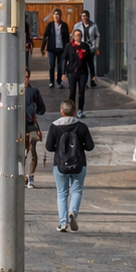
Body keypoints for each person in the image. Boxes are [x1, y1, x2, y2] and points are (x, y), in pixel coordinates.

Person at [46, 99, 95, 231]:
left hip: (60, 164)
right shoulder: (82, 126)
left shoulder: (54, 126)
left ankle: (63, 222)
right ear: (74, 111)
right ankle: (72, 212)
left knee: (62, 193)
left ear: (61, 111)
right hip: (79, 164)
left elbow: (49, 147)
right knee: (77, 190)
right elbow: (90, 146)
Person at [24, 67, 46, 189]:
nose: (25, 79)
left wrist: (33, 111)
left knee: (32, 149)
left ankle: (30, 176)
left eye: (26, 77)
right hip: (17, 126)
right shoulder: (13, 90)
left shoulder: (33, 91)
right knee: (20, 151)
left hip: (30, 124)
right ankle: (22, 175)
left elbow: (42, 108)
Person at [65, 28, 92, 117]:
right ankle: (71, 110)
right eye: (76, 35)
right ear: (73, 36)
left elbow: (90, 61)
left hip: (83, 72)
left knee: (81, 92)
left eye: (79, 35)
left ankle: (80, 110)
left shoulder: (85, 46)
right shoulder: (69, 46)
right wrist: (62, 72)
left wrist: (93, 74)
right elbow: (64, 59)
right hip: (72, 72)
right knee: (72, 92)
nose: (77, 37)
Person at [41, 8, 70, 88]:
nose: (56, 16)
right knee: (51, 65)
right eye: (55, 14)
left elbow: (67, 38)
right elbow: (45, 36)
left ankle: (59, 81)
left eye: (57, 14)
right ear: (53, 16)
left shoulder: (64, 25)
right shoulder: (50, 25)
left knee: (60, 66)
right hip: (52, 49)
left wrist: (68, 49)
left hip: (61, 49)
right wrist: (42, 48)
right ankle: (51, 82)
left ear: (60, 15)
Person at [79, 10, 101, 86]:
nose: (84, 18)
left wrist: (96, 46)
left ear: (88, 16)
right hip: (81, 47)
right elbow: (74, 35)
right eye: (82, 16)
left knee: (91, 64)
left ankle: (92, 80)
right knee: (82, 64)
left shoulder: (93, 26)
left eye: (85, 16)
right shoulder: (78, 26)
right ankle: (83, 80)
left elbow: (97, 35)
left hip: (91, 47)